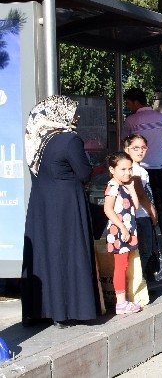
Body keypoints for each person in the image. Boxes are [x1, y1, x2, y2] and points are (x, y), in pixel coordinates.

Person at [21, 95, 101, 328]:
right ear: (61, 113)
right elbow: (84, 173)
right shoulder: (69, 139)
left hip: (41, 203)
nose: (77, 116)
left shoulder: (38, 139)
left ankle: (41, 310)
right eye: (73, 111)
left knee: (44, 255)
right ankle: (66, 311)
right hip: (67, 204)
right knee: (68, 252)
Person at [123, 88, 162, 252]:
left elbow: (124, 143)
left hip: (139, 170)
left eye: (129, 103)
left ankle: (150, 246)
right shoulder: (161, 118)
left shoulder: (131, 120)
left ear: (136, 102)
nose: (128, 106)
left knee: (142, 210)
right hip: (158, 169)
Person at [102, 151, 151, 315]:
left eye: (129, 169)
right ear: (112, 169)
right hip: (120, 232)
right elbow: (108, 209)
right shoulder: (113, 186)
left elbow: (135, 207)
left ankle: (123, 300)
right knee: (120, 266)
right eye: (123, 169)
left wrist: (132, 189)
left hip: (128, 230)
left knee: (125, 265)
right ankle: (121, 302)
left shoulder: (124, 186)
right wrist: (122, 228)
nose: (127, 172)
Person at [123, 134, 159, 284]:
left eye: (143, 148)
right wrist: (153, 212)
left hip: (139, 215)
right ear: (127, 149)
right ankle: (141, 283)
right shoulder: (134, 170)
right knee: (144, 252)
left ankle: (142, 281)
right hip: (140, 215)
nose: (140, 151)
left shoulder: (138, 168)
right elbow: (141, 195)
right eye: (135, 148)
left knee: (144, 251)